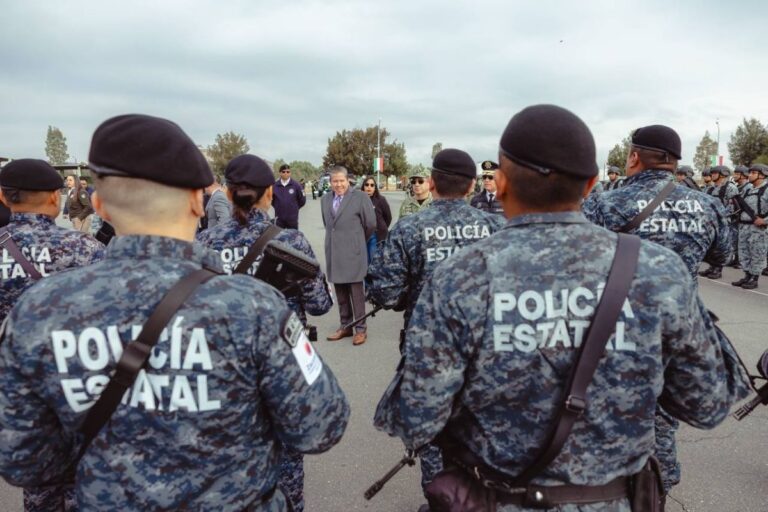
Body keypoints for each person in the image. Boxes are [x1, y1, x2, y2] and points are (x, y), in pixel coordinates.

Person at [374, 104, 751, 511]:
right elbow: (708, 404)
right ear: (591, 185)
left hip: (496, 497)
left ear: (500, 184)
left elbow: (415, 416)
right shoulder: (660, 273)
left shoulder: (458, 277)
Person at [0, 114, 349, 511]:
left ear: (99, 205)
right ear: (199, 200)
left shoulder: (39, 310)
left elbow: (22, 461)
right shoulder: (255, 306)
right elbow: (322, 426)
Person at [582, 124, 733, 494]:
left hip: (616, 329)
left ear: (634, 157)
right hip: (678, 329)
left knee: (607, 414)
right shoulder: (707, 204)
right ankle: (657, 488)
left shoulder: (606, 202)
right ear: (674, 162)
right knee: (663, 417)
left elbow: (583, 260)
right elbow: (722, 256)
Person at [197, 154, 333, 511]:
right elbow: (320, 305)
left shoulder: (204, 245)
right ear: (270, 194)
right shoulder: (292, 243)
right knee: (287, 467)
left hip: (219, 370)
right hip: (282, 371)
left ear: (227, 193)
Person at [367, 148, 504, 500]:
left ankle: (442, 499)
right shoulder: (494, 227)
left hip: (427, 349)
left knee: (431, 435)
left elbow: (385, 292)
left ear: (431, 182)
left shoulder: (410, 228)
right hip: (488, 348)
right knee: (484, 427)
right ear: (472, 184)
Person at [0, 158, 104, 512]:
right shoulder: (83, 249)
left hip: (17, 389)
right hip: (79, 386)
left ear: (4, 197)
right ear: (54, 198)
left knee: (37, 484)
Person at [321, 165, 376, 345]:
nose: (338, 185)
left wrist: (357, 241)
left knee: (356, 292)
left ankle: (361, 329)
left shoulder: (360, 197)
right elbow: (329, 225)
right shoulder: (325, 199)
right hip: (334, 252)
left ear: (348, 181)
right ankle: (345, 326)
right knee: (341, 293)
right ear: (330, 182)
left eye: (341, 181)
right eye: (335, 181)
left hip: (353, 252)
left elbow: (370, 225)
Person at [731, 164, 768, 289]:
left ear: (762, 175)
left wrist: (765, 221)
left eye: (753, 173)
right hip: (744, 226)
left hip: (758, 229)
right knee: (744, 252)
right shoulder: (748, 190)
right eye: (750, 172)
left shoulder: (766, 189)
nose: (749, 175)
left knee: (757, 253)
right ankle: (747, 275)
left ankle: (754, 278)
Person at [698, 165, 738, 280]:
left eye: (715, 173)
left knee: (721, 247)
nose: (712, 175)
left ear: (722, 174)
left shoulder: (730, 188)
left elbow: (733, 207)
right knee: (712, 247)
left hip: (724, 222)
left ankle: (718, 269)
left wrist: (720, 216)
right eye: (712, 173)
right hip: (711, 222)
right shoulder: (711, 188)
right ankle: (712, 267)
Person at [360, 176, 392, 263]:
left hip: (376, 235)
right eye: (367, 185)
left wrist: (381, 228)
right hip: (362, 235)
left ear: (375, 188)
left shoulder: (381, 200)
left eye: (372, 185)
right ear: (363, 187)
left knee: (373, 260)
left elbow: (388, 217)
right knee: (363, 262)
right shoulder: (358, 200)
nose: (369, 187)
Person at [272, 163, 306, 229]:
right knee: (279, 238)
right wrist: (278, 206)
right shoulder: (275, 186)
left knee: (293, 238)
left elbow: (302, 200)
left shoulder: (296, 185)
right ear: (280, 173)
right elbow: (271, 200)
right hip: (279, 219)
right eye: (283, 172)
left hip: (292, 219)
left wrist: (294, 208)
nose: (286, 173)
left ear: (290, 173)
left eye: (288, 172)